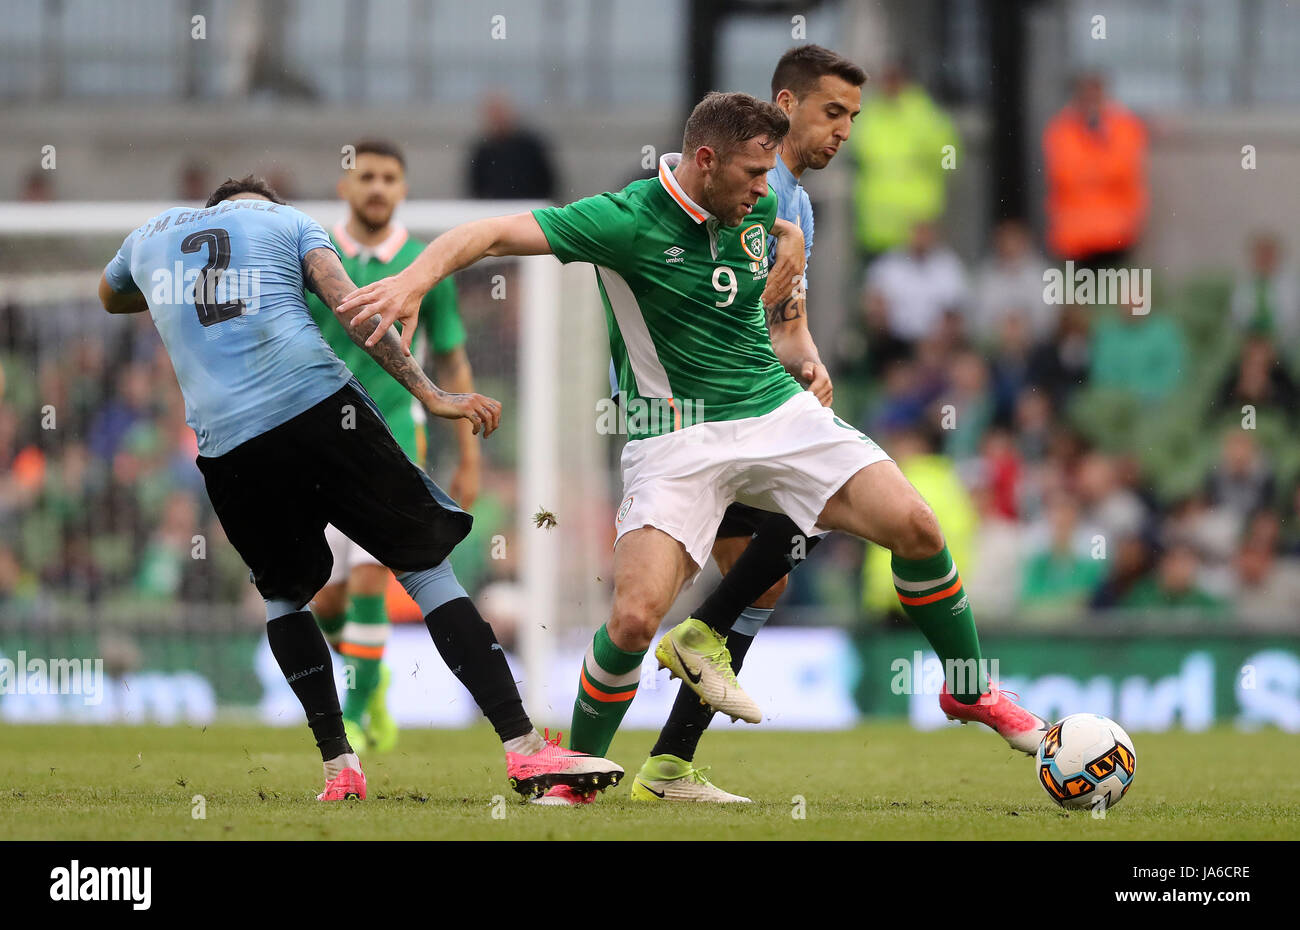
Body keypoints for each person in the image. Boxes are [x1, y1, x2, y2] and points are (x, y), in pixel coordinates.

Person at [339, 92, 1048, 809]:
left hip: (775, 413)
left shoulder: (758, 207)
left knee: (919, 529)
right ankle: (574, 777)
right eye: (750, 173)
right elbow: (490, 235)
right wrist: (412, 279)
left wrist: (799, 328)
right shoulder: (624, 219)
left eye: (769, 175)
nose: (763, 190)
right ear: (704, 162)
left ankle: (968, 691)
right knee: (636, 618)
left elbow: (787, 245)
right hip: (674, 437)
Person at [97, 175, 623, 802]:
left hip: (227, 444)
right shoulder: (290, 225)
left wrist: (176, 296)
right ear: (265, 205)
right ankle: (524, 751)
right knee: (424, 568)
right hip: (317, 409)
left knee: (284, 599)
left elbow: (110, 297)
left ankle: (339, 768)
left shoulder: (148, 238)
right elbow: (355, 314)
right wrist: (431, 394)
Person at [628, 44, 863, 804]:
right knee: (790, 531)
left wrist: (808, 361)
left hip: (749, 406)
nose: (845, 131)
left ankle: (668, 764)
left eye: (854, 118)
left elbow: (777, 316)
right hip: (705, 417)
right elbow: (720, 305)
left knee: (764, 577)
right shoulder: (750, 188)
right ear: (786, 105)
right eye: (834, 112)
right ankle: (633, 746)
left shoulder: (793, 201)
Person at [304, 139, 481, 755]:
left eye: (389, 178)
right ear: (344, 188)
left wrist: (470, 457)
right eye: (366, 177)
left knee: (371, 577)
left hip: (396, 437)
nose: (377, 187)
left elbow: (452, 357)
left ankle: (354, 716)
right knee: (326, 595)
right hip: (321, 442)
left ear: (403, 189)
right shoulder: (313, 260)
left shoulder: (420, 264)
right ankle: (371, 680)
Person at [1043, 72, 1147, 268]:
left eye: (1094, 95)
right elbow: (1064, 173)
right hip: (1074, 233)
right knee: (1080, 292)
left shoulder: (1124, 126)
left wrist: (1096, 147)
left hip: (1116, 231)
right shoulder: (1061, 129)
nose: (1090, 102)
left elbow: (1122, 168)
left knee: (1116, 292)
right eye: (1084, 95)